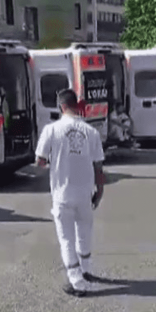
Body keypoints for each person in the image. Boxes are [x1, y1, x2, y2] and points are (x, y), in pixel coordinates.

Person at [34, 89, 106, 297]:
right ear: (76, 105)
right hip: (85, 192)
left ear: (61, 106)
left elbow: (39, 161)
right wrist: (99, 191)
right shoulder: (91, 132)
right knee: (84, 232)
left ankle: (77, 282)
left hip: (62, 194)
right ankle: (86, 270)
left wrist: (51, 163)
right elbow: (99, 166)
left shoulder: (51, 130)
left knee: (66, 238)